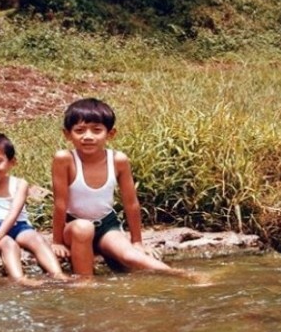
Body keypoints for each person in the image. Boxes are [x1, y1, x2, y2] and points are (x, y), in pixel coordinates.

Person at [51, 98, 200, 280]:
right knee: (83, 228)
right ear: (67, 134)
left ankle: (187, 276)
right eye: (79, 131)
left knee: (129, 256)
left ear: (110, 134)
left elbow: (131, 203)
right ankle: (85, 285)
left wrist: (137, 241)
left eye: (97, 130)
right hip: (74, 227)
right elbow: (60, 203)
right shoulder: (64, 159)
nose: (88, 136)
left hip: (106, 226)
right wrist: (57, 242)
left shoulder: (118, 160)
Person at [0, 131, 69, 285]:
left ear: (12, 162)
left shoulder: (19, 184)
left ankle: (57, 274)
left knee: (36, 238)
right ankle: (19, 279)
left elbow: (14, 213)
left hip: (19, 226)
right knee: (8, 243)